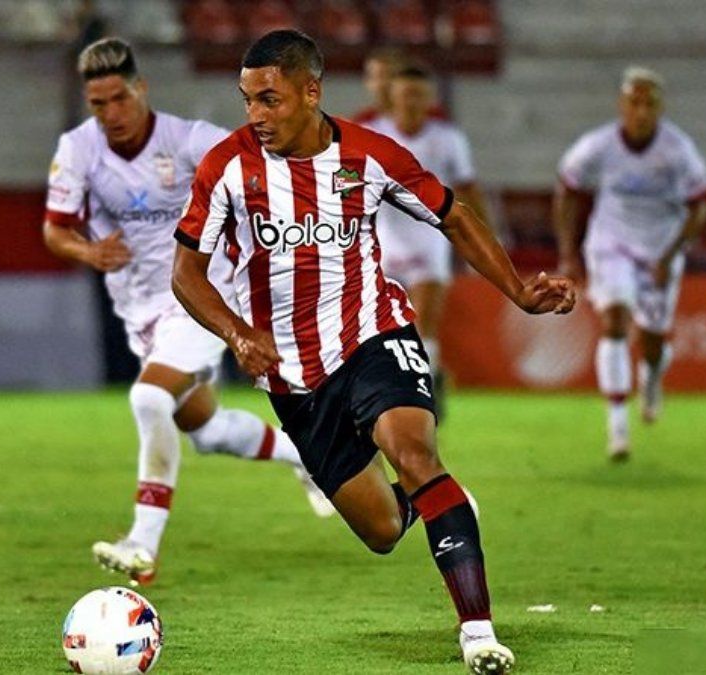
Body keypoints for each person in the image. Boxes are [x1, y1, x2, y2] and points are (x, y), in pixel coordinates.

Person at [171, 30, 575, 674]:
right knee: (383, 530)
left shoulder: (369, 155)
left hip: (372, 335)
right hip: (293, 376)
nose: (256, 115)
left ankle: (477, 633)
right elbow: (186, 273)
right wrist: (237, 333)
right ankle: (438, 500)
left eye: (269, 99)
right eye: (247, 100)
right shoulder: (227, 167)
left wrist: (519, 291)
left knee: (413, 453)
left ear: (311, 91)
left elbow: (454, 214)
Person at [41, 37, 333, 587]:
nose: (112, 114)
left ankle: (142, 543)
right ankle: (308, 456)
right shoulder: (79, 149)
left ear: (140, 88)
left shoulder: (191, 140)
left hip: (200, 296)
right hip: (140, 313)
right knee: (205, 429)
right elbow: (55, 229)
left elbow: (261, 165)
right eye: (99, 105)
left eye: (120, 99)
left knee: (149, 398)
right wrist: (88, 252)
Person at [552, 67, 706, 461]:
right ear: (621, 106)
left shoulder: (678, 149)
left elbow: (699, 207)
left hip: (660, 248)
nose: (641, 112)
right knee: (615, 322)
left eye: (649, 104)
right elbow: (567, 191)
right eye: (634, 103)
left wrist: (671, 255)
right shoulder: (597, 145)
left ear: (660, 109)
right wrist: (568, 253)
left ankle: (652, 376)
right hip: (611, 244)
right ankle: (618, 427)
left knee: (653, 341)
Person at [362, 62, 490, 396]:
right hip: (383, 242)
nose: (412, 101)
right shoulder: (371, 136)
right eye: (406, 94)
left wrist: (484, 237)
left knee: (423, 325)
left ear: (430, 98)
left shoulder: (448, 139)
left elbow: (468, 189)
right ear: (392, 96)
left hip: (429, 241)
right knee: (376, 329)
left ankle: (423, 393)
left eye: (419, 95)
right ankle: (390, 390)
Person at [351, 47, 447, 125]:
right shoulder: (363, 121)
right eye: (379, 76)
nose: (386, 83)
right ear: (367, 82)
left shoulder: (434, 118)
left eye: (392, 75)